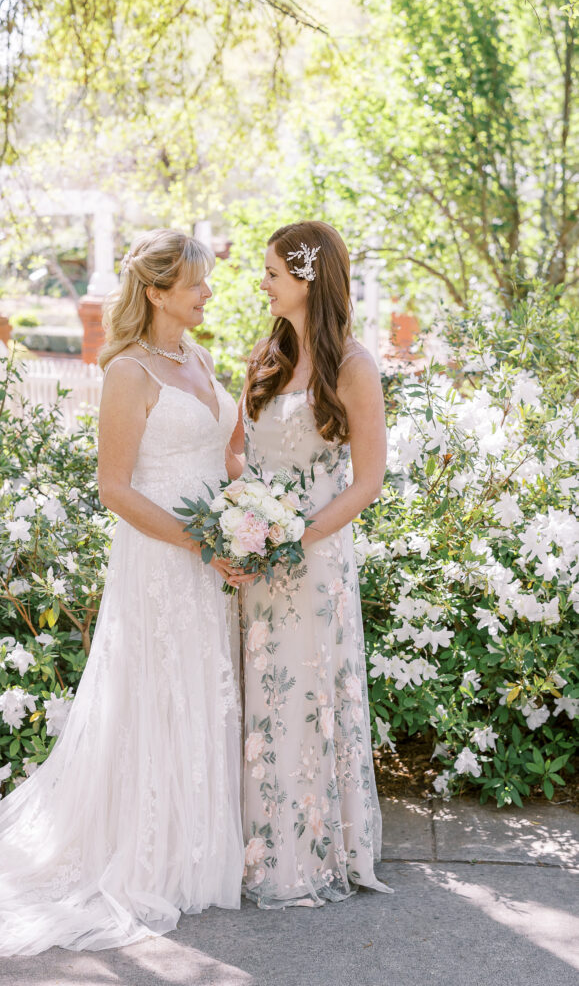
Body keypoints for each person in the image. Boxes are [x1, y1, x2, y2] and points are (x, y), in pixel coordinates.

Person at [0, 229, 249, 955]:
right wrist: (204, 543)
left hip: (214, 556)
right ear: (156, 292)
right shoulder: (128, 371)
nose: (207, 294)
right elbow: (115, 488)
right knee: (156, 692)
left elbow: (225, 455)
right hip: (162, 555)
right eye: (194, 285)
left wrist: (253, 522)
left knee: (198, 686)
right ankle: (141, 849)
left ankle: (194, 845)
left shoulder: (200, 357)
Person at [233, 220, 392, 907]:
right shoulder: (264, 355)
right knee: (253, 698)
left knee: (303, 696)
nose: (262, 283)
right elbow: (237, 449)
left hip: (314, 563)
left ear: (305, 279)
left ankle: (307, 850)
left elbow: (367, 481)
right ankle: (248, 844)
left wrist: (295, 537)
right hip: (253, 555)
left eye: (271, 272)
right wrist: (242, 524)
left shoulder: (353, 366)